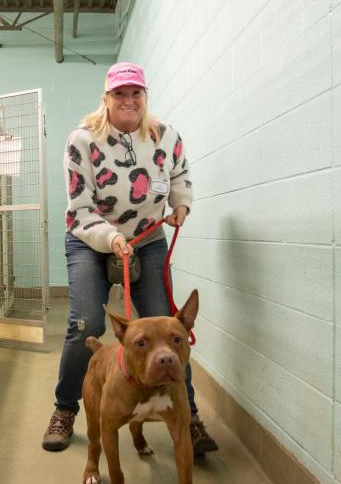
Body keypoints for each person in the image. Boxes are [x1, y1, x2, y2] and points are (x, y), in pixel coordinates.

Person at [42, 61, 218, 456]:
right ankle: (65, 408)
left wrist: (181, 206)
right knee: (84, 322)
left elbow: (180, 176)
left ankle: (187, 415)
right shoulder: (82, 140)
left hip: (147, 237)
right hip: (90, 237)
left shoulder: (165, 135)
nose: (127, 100)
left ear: (144, 97)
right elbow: (80, 206)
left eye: (135, 93)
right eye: (119, 94)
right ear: (106, 99)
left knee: (167, 327)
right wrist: (112, 237)